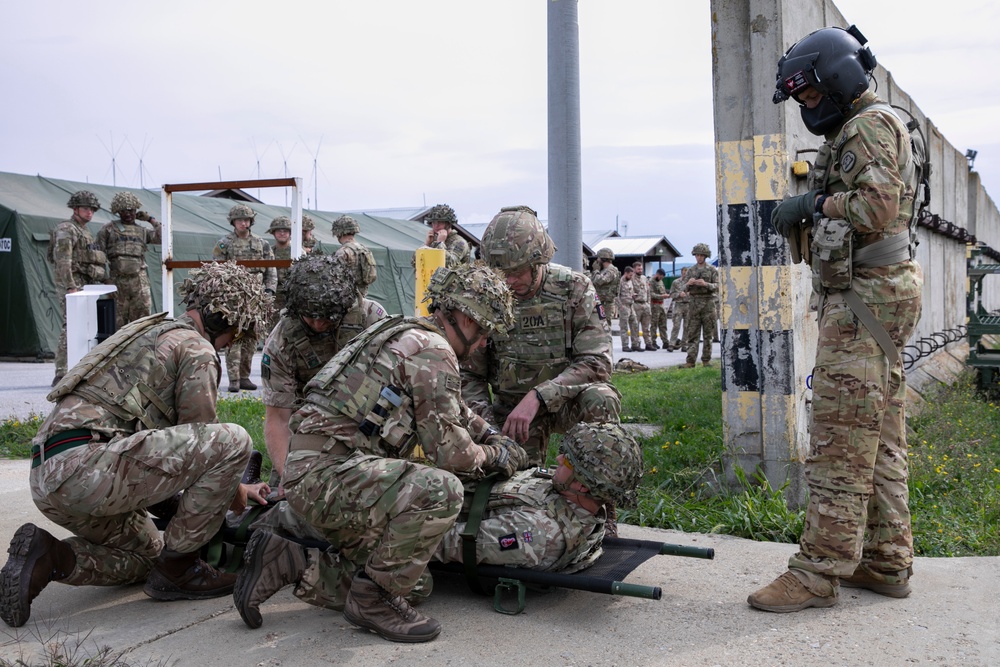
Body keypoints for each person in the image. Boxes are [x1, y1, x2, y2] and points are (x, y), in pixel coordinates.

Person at [233, 262, 529, 643]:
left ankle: (287, 563)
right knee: (442, 489)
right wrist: (497, 457)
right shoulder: (435, 352)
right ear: (465, 318)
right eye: (486, 330)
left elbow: (451, 408)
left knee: (415, 583)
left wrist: (490, 435)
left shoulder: (406, 333)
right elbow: (452, 456)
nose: (485, 341)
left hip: (323, 472)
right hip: (329, 474)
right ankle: (371, 601)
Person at [748, 25, 923, 612]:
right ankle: (885, 559)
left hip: (864, 298)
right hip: (877, 295)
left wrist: (812, 203)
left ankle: (818, 571)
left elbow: (876, 206)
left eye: (812, 97)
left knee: (840, 436)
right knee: (881, 430)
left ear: (841, 80)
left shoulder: (868, 126)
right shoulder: (876, 122)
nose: (808, 110)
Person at [0, 262, 273, 628]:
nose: (229, 346)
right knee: (234, 438)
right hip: (89, 468)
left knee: (149, 556)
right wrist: (239, 492)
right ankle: (182, 568)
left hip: (49, 476)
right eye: (236, 337)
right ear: (225, 321)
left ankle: (48, 558)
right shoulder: (197, 348)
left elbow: (166, 451)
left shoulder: (146, 330)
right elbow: (207, 445)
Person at [462, 205, 620, 466]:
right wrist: (488, 431)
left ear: (538, 262)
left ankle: (593, 488)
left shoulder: (574, 288)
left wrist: (539, 396)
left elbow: (597, 363)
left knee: (601, 398)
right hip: (512, 412)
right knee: (513, 479)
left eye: (516, 272)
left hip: (566, 402)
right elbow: (469, 375)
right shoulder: (486, 296)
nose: (508, 282)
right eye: (501, 274)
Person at [433, 422, 642, 572]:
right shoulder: (569, 494)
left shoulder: (536, 533)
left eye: (568, 461)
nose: (558, 458)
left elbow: (441, 543)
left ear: (583, 485)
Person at [260, 253, 387, 490]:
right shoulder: (282, 341)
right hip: (306, 434)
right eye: (310, 317)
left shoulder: (371, 320)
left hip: (367, 427)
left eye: (328, 318)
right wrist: (293, 481)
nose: (318, 325)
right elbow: (278, 419)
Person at [212, 203, 277, 393]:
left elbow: (271, 269)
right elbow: (216, 270)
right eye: (240, 219)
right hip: (234, 297)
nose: (243, 223)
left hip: (256, 296)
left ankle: (244, 377)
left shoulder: (262, 243)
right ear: (233, 221)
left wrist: (270, 290)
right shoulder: (224, 243)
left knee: (251, 337)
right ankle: (233, 379)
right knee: (233, 336)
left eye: (247, 219)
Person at [48, 191, 107, 386]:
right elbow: (63, 261)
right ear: (75, 209)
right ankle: (62, 372)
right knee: (71, 326)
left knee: (85, 326)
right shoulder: (67, 229)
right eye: (86, 209)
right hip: (72, 284)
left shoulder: (84, 231)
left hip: (84, 283)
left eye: (92, 209)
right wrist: (71, 287)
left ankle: (79, 369)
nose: (90, 213)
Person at [97, 191, 162, 329]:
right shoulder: (108, 229)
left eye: (131, 210)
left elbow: (163, 238)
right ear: (117, 212)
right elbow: (98, 257)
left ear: (136, 211)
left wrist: (151, 219)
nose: (128, 214)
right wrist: (106, 280)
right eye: (123, 211)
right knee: (116, 322)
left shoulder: (142, 231)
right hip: (117, 281)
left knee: (143, 322)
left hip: (139, 281)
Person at [682, 244, 719, 368]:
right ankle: (690, 360)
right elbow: (684, 289)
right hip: (694, 304)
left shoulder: (712, 270)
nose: (699, 258)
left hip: (708, 303)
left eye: (701, 255)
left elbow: (718, 286)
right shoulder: (691, 270)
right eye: (697, 255)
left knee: (708, 334)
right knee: (692, 333)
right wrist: (689, 283)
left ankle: (706, 360)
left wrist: (706, 284)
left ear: (705, 256)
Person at [332, 214, 377, 298]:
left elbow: (334, 279)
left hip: (347, 299)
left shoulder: (342, 252)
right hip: (363, 298)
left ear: (339, 233)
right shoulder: (365, 250)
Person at [265, 215, 293, 316]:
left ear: (290, 233)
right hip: (272, 296)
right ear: (273, 233)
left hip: (291, 297)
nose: (282, 233)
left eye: (285, 231)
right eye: (278, 231)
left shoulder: (297, 252)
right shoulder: (268, 252)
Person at [590, 248, 620, 320]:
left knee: (605, 327)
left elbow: (600, 281)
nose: (597, 260)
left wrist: (596, 270)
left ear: (603, 259)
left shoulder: (612, 270)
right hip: (600, 302)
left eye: (598, 258)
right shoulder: (603, 270)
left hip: (606, 304)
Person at [631, 261, 654, 350]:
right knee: (635, 326)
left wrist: (648, 302)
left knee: (646, 326)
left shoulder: (644, 278)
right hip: (636, 304)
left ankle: (648, 343)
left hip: (645, 304)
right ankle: (636, 344)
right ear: (634, 269)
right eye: (638, 269)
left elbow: (648, 291)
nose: (640, 270)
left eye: (641, 269)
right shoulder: (631, 278)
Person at [617, 265, 639, 352]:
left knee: (635, 325)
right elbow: (616, 296)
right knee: (624, 327)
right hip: (624, 306)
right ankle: (625, 345)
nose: (631, 277)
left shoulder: (630, 281)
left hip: (631, 305)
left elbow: (630, 291)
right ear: (625, 273)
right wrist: (620, 306)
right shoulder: (620, 282)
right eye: (630, 275)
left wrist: (633, 295)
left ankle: (635, 344)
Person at [650, 268, 671, 351]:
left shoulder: (661, 282)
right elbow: (651, 294)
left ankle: (665, 342)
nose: (661, 278)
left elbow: (662, 291)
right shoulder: (651, 282)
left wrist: (665, 295)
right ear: (657, 274)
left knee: (663, 324)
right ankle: (653, 342)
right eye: (660, 276)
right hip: (654, 305)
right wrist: (662, 296)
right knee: (654, 324)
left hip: (661, 304)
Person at [669, 266, 689, 350]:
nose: (685, 274)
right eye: (684, 273)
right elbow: (671, 294)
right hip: (678, 304)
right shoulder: (676, 282)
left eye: (686, 273)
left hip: (688, 305)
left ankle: (685, 344)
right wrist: (678, 294)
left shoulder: (691, 283)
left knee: (687, 326)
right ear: (681, 273)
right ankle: (672, 344)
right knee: (676, 325)